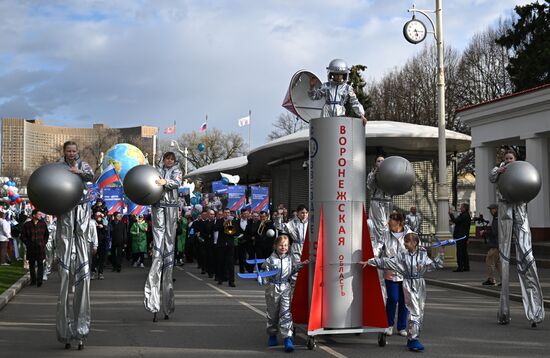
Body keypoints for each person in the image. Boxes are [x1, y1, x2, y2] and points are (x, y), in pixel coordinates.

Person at [362, 232, 445, 351]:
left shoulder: (422, 255)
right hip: (408, 284)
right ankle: (413, 340)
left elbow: (435, 265)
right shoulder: (402, 256)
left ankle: (413, 337)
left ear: (414, 243)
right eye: (404, 241)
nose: (404, 244)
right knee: (414, 311)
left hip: (420, 284)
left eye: (407, 242)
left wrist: (442, 251)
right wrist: (370, 261)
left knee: (420, 312)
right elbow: (387, 261)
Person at [489, 149, 544, 327]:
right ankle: (503, 312)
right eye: (506, 158)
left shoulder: (522, 169)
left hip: (520, 210)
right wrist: (499, 170)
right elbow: (491, 177)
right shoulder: (500, 170)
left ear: (516, 159)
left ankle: (535, 311)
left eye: (511, 158)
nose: (508, 160)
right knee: (504, 257)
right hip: (505, 210)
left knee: (527, 256)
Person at [55, 140, 94, 350]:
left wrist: (77, 171)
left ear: (77, 151)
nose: (71, 153)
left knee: (82, 275)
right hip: (65, 213)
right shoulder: (58, 166)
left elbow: (91, 177)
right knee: (64, 275)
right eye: (68, 151)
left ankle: (81, 328)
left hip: (81, 212)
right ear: (64, 152)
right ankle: (65, 329)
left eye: (73, 150)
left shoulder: (84, 165)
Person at [144, 151, 182, 322]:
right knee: (158, 242)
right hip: (158, 206)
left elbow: (176, 183)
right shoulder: (156, 169)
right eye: (167, 159)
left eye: (171, 159)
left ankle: (167, 302)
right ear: (163, 160)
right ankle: (157, 252)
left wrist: (165, 181)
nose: (169, 161)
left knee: (169, 243)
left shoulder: (177, 170)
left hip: (171, 208)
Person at [263, 234, 309, 352]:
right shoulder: (269, 260)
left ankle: (287, 338)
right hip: (272, 288)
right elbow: (264, 274)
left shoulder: (290, 259)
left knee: (286, 313)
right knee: (272, 314)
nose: (283, 247)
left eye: (285, 245)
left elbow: (292, 270)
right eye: (281, 245)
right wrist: (261, 278)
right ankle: (272, 334)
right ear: (275, 246)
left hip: (285, 287)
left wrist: (302, 264)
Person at [373, 212, 410, 337]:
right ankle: (389, 324)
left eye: (392, 222)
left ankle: (401, 326)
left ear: (399, 222)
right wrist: (373, 258)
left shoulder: (409, 234)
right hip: (390, 271)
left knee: (404, 300)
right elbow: (378, 247)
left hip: (405, 272)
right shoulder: (386, 233)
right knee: (393, 299)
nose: (389, 224)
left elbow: (416, 247)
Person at [308, 58, 367, 125]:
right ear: (332, 74)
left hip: (340, 112)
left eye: (340, 74)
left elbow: (354, 102)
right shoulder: (326, 86)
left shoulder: (347, 88)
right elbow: (314, 96)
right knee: (325, 132)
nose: (338, 76)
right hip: (326, 112)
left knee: (338, 132)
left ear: (344, 75)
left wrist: (361, 115)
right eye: (336, 74)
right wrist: (312, 87)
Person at [368, 155, 392, 254]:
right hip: (377, 202)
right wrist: (374, 174)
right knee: (380, 225)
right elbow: (370, 185)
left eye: (383, 161)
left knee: (388, 225)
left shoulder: (390, 173)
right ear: (375, 163)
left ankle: (387, 248)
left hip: (388, 202)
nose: (381, 162)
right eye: (378, 161)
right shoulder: (372, 174)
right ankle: (379, 248)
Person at [20, 210, 49, 286]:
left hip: (40, 248)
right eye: (39, 214)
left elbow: (46, 235)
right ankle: (33, 281)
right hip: (31, 248)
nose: (40, 215)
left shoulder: (43, 224)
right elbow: (22, 236)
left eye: (40, 214)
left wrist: (43, 243)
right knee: (31, 265)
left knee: (40, 264)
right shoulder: (27, 225)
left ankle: (39, 280)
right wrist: (28, 243)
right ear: (33, 215)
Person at [284, 205, 308, 291]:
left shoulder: (310, 222)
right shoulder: (292, 222)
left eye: (306, 213)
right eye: (302, 213)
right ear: (297, 213)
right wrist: (279, 218)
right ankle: (294, 288)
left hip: (307, 246)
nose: (304, 215)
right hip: (296, 246)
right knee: (296, 267)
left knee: (308, 266)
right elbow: (281, 227)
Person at [448, 203, 472, 272]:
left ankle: (460, 267)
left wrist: (450, 214)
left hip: (460, 236)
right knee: (464, 252)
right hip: (464, 236)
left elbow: (455, 221)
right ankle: (466, 266)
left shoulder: (463, 215)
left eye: (461, 207)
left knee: (460, 252)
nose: (460, 208)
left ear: (464, 208)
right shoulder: (467, 215)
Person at [480, 204, 499, 286]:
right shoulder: (497, 218)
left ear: (496, 209)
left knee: (489, 261)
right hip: (498, 244)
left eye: (491, 209)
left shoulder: (497, 218)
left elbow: (495, 232)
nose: (490, 211)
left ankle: (491, 279)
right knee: (498, 264)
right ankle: (503, 280)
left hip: (495, 244)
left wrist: (485, 232)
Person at [92, 212, 108, 280]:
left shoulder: (104, 222)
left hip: (103, 243)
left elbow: (109, 228)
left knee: (102, 259)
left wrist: (103, 226)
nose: (99, 217)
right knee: (93, 259)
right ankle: (92, 272)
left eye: (100, 216)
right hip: (94, 243)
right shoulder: (92, 223)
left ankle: (100, 273)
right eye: (97, 216)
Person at [43, 215, 57, 281]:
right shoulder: (42, 225)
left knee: (49, 258)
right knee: (44, 258)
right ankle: (44, 271)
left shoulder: (53, 227)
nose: (47, 218)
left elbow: (54, 237)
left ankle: (47, 270)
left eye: (48, 217)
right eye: (46, 217)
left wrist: (55, 246)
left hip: (49, 244)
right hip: (42, 243)